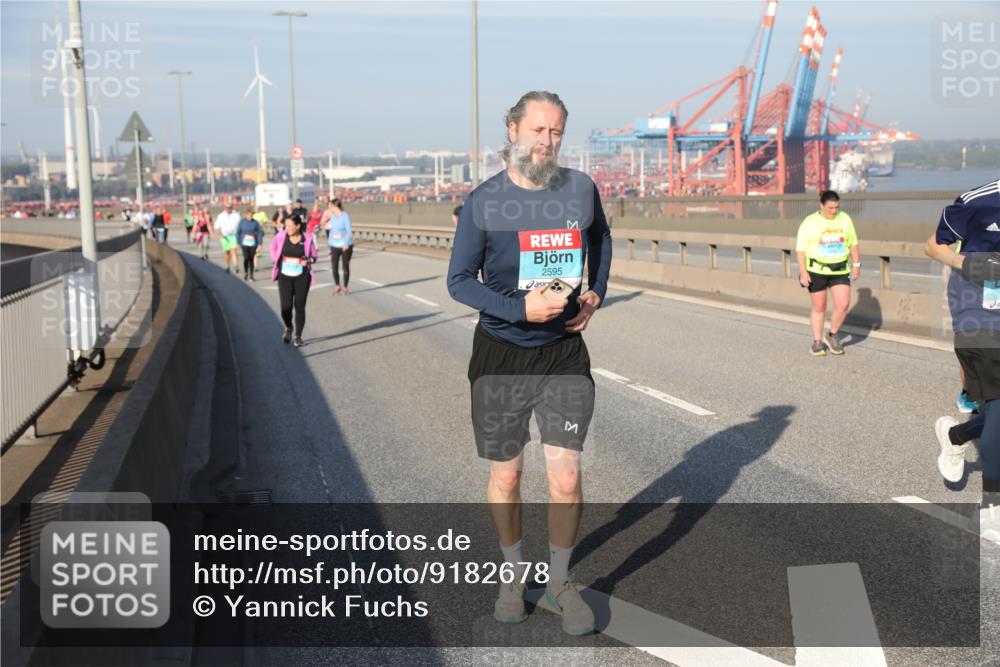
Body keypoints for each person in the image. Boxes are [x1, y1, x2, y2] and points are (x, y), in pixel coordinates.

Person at [447, 90, 611, 636]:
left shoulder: (580, 189)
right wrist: (520, 309)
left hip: (562, 353)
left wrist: (595, 293)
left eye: (556, 131)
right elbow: (458, 281)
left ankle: (560, 582)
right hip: (501, 353)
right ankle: (512, 575)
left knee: (566, 476)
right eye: (538, 130)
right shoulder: (485, 201)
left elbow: (601, 238)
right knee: (508, 473)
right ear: (513, 129)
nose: (547, 141)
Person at [924, 178, 999, 513]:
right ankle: (993, 509)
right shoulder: (979, 201)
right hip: (979, 311)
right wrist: (971, 264)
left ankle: (956, 436)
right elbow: (933, 246)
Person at [795, 190, 861, 356]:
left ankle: (832, 335)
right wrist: (803, 272)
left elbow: (853, 243)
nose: (834, 211)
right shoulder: (810, 222)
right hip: (817, 270)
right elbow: (801, 249)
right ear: (821, 205)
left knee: (843, 304)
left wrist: (856, 264)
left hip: (840, 269)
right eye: (830, 208)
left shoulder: (844, 218)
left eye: (836, 207)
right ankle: (817, 342)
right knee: (820, 307)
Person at [269, 214, 317, 347]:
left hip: (302, 277)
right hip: (285, 277)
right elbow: (272, 247)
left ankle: (298, 336)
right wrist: (275, 258)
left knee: (300, 306)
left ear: (298, 226)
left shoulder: (307, 238)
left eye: (290, 226)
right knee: (285, 308)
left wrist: (309, 260)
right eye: (286, 225)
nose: (287, 228)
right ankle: (289, 327)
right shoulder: (281, 236)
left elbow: (314, 256)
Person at [326, 198, 353, 295]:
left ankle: (345, 287)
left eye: (330, 206)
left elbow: (349, 231)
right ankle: (337, 286)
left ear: (335, 206)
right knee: (334, 266)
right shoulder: (332, 216)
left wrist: (346, 243)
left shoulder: (345, 216)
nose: (329, 208)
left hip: (345, 246)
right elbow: (331, 232)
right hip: (334, 245)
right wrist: (329, 246)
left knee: (345, 266)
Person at [236, 207, 264, 281]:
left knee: (251, 259)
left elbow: (259, 233)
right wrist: (238, 242)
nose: (250, 216)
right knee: (246, 258)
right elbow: (238, 232)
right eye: (249, 215)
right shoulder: (242, 222)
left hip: (253, 243)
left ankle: (251, 275)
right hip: (244, 243)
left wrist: (260, 243)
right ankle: (246, 272)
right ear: (246, 215)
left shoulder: (256, 223)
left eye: (251, 215)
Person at [214, 203, 242, 274]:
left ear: (231, 208)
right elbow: (216, 226)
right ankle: (228, 266)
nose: (228, 209)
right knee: (227, 252)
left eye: (229, 207)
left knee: (234, 251)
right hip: (224, 236)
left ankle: (235, 267)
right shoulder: (220, 216)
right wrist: (220, 234)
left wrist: (240, 235)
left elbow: (240, 226)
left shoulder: (236, 216)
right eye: (227, 207)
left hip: (234, 236)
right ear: (224, 208)